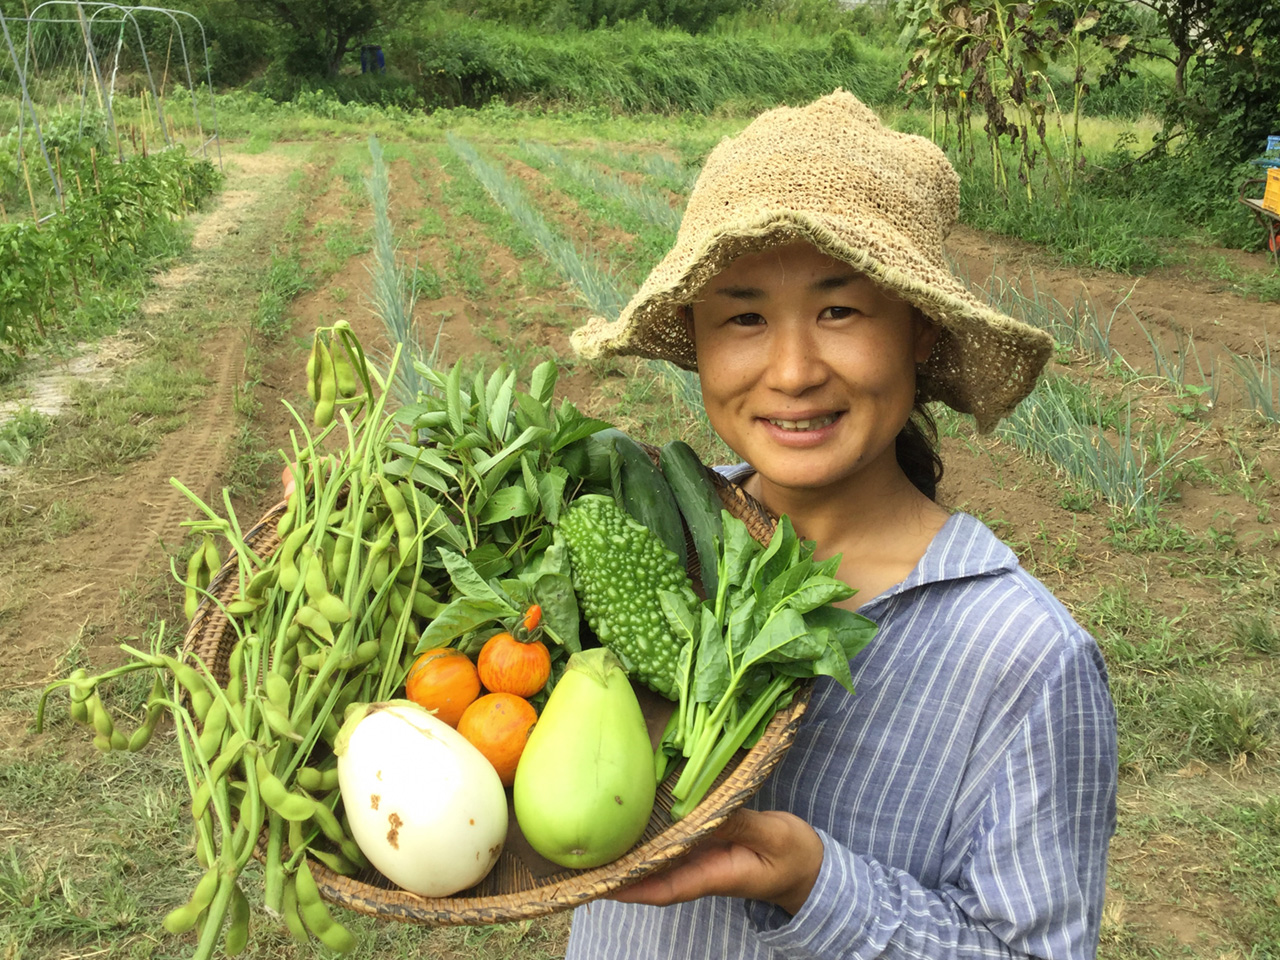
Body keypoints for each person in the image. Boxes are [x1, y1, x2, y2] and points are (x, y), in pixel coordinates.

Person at [566, 91, 1118, 959]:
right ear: (699, 340)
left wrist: (815, 884)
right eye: (744, 316)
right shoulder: (650, 533)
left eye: (840, 311)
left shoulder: (1021, 658)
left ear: (921, 331)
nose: (791, 371)